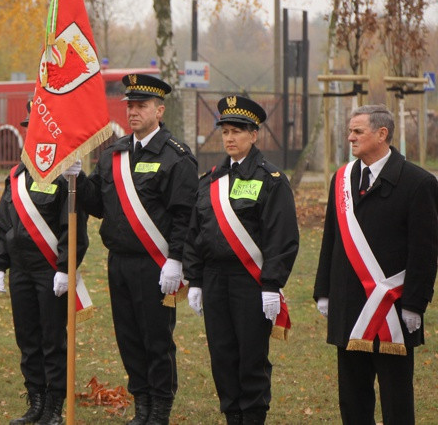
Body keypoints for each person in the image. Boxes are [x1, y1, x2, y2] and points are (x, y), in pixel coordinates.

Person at [75, 74, 198, 425]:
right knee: (129, 338)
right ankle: (141, 405)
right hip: (120, 262)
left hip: (157, 264)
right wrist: (77, 179)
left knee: (156, 339)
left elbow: (184, 215)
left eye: (141, 106)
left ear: (159, 110)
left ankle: (159, 409)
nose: (132, 111)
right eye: (129, 105)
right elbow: (98, 204)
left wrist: (176, 260)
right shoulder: (114, 154)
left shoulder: (176, 158)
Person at [314, 104, 438, 425]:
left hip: (393, 311)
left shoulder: (418, 182)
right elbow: (332, 238)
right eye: (350, 131)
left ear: (382, 134)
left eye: (358, 131)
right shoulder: (341, 179)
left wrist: (415, 302)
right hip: (350, 309)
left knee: (396, 400)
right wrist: (323, 291)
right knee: (352, 400)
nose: (350, 138)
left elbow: (424, 251)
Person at [184, 96, 299, 425]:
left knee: (251, 359)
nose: (230, 138)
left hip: (251, 283)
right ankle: (232, 415)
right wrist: (196, 280)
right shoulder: (210, 179)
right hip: (216, 279)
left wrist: (271, 284)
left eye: (237, 131)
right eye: (225, 132)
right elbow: (197, 232)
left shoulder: (270, 180)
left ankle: (252, 417)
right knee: (222, 355)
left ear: (254, 134)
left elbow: (282, 237)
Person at [0, 102, 89, 425]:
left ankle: (55, 406)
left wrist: (64, 268)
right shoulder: (17, 175)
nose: (37, 134)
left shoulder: (66, 173)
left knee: (51, 340)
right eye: (31, 128)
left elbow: (73, 227)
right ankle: (35, 401)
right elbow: (4, 222)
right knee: (27, 339)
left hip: (49, 271)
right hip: (21, 270)